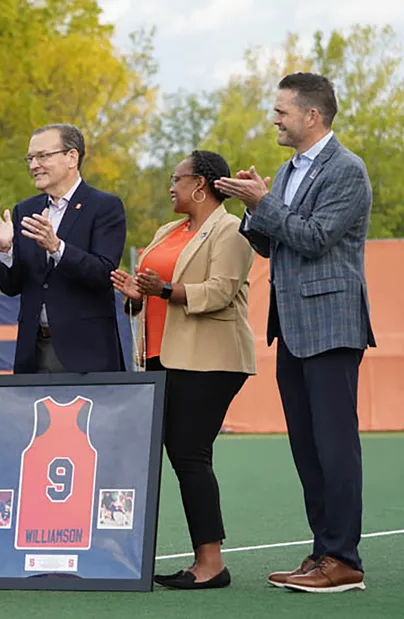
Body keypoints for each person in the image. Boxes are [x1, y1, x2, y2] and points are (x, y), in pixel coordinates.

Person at [216, 72, 375, 593]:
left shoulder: (347, 170)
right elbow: (271, 244)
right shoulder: (287, 172)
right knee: (307, 448)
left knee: (334, 446)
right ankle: (323, 552)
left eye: (282, 111)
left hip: (332, 325)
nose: (275, 119)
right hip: (292, 327)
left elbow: (315, 237)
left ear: (312, 115)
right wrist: (250, 204)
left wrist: (266, 203)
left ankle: (344, 560)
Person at [111, 150, 255, 590]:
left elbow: (220, 292)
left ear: (202, 185)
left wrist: (166, 288)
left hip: (210, 359)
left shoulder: (231, 230)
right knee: (174, 455)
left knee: (190, 454)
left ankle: (211, 563)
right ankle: (169, 556)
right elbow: (149, 295)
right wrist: (136, 293)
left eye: (177, 178)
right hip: (162, 355)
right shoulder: (166, 231)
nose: (171, 186)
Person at [0, 124, 127, 373]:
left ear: (71, 157)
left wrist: (57, 247)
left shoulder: (105, 207)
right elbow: (10, 287)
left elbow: (103, 273)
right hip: (33, 351)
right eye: (30, 158)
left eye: (42, 156)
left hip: (85, 353)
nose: (33, 166)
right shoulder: (25, 210)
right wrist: (4, 247)